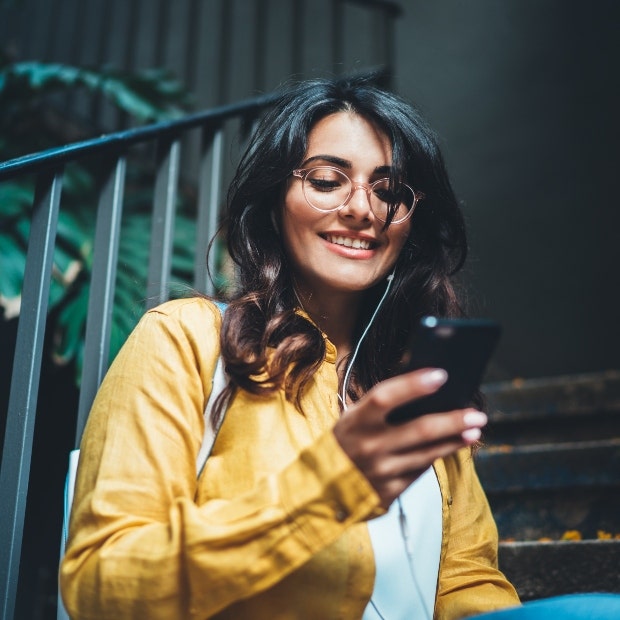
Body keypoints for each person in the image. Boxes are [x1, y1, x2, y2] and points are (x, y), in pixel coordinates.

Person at [60, 75, 521, 619]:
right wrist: (328, 486)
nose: (363, 210)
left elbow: (468, 581)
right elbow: (100, 586)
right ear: (273, 199)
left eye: (389, 191)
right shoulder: (184, 338)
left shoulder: (415, 382)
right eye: (327, 180)